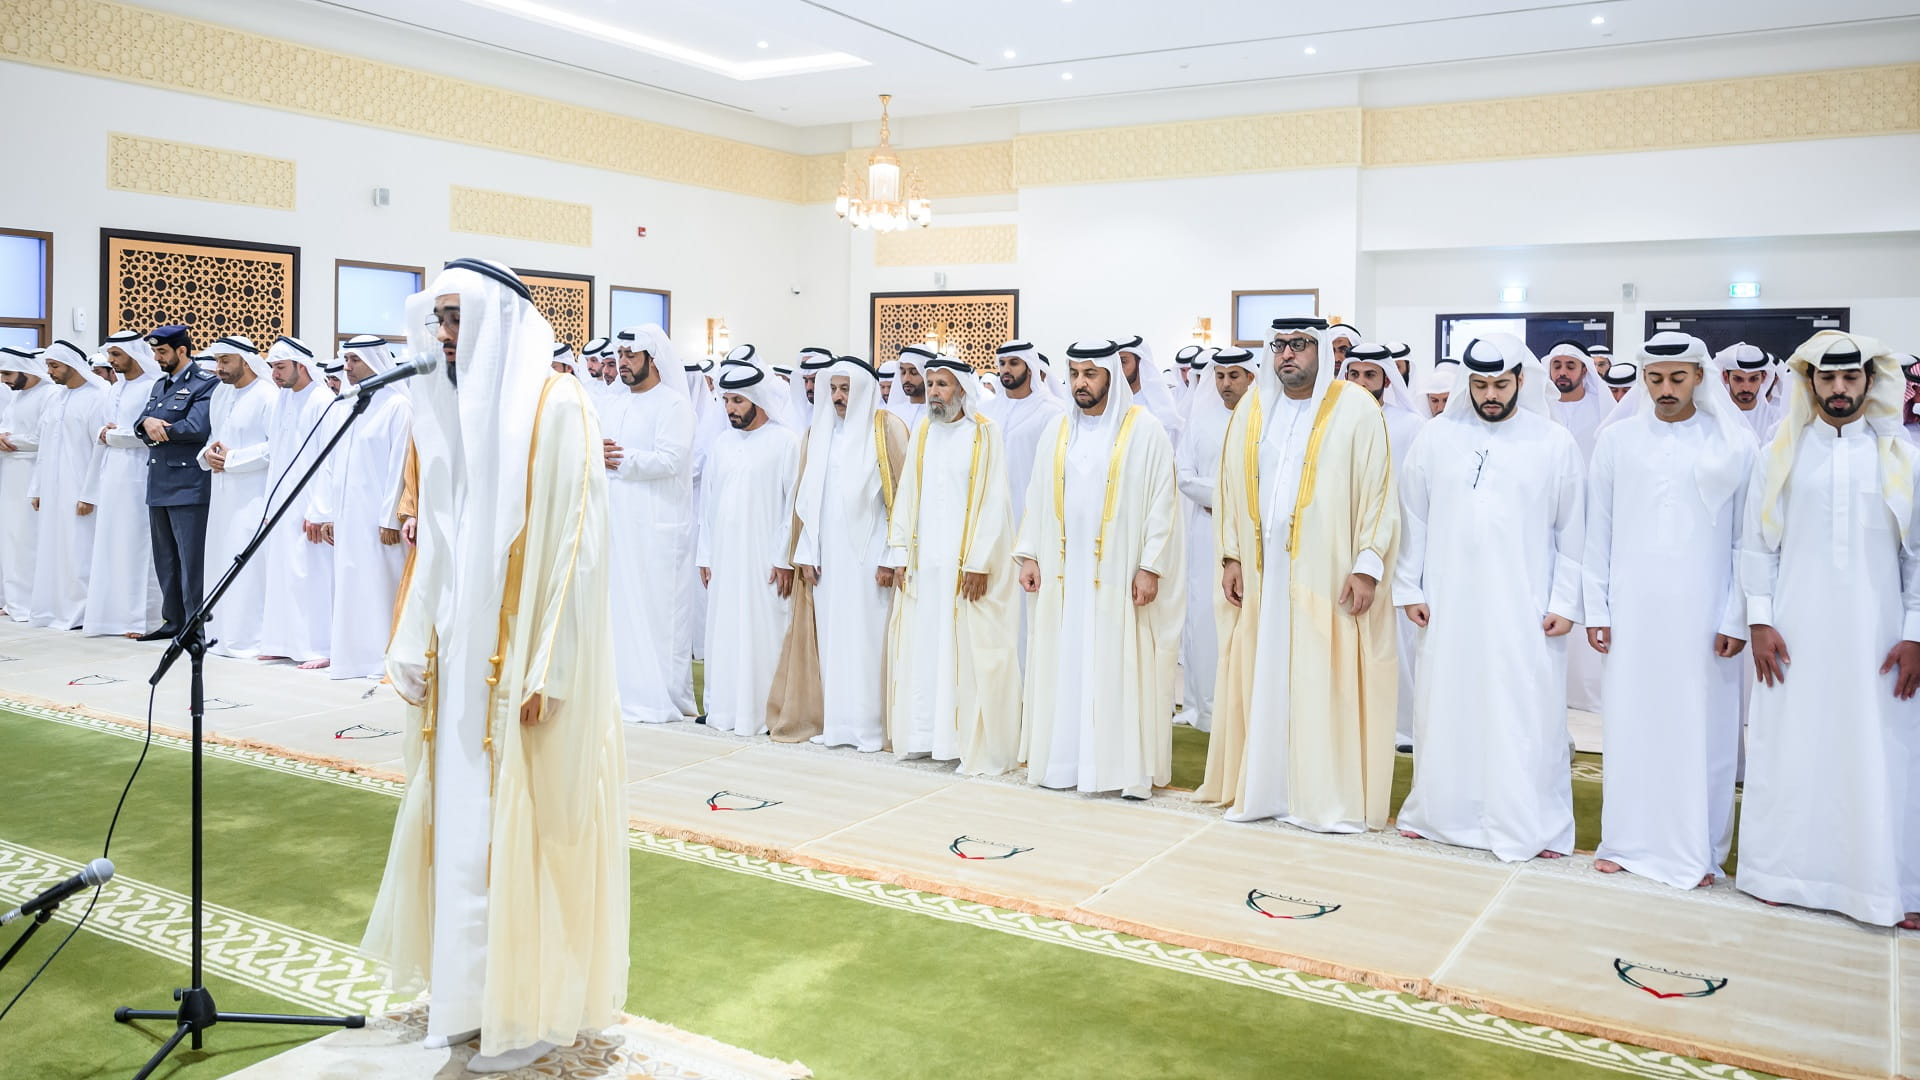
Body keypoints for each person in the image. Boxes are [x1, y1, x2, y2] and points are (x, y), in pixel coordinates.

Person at [365, 259, 628, 1073]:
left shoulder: (557, 406)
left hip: (523, 670)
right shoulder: (446, 410)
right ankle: (467, 997)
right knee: (464, 835)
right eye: (437, 319)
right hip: (458, 665)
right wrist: (412, 637)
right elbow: (438, 538)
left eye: (457, 318)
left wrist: (549, 661)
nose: (444, 335)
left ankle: (532, 1012)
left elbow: (579, 547)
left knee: (526, 829)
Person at [1737, 330, 1920, 930]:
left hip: (1880, 636)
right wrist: (1759, 620)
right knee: (1792, 745)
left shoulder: (1902, 458)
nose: (1838, 390)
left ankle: (1883, 887)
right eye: (1826, 378)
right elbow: (1756, 546)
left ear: (1870, 382)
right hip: (1793, 633)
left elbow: (1915, 556)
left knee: (1881, 753)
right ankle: (1779, 875)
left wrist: (1915, 630)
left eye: (1850, 378)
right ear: (1808, 382)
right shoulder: (1780, 454)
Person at [1195, 319, 1398, 831]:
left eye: (1300, 345)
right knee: (1266, 678)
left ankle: (1321, 799)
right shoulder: (1253, 407)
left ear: (1321, 352)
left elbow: (1378, 491)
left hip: (1327, 575)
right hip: (1265, 578)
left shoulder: (1357, 408)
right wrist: (1232, 556)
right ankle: (1266, 790)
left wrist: (1367, 566)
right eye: (1280, 346)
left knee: (1320, 679)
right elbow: (1230, 489)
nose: (1288, 355)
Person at [1394, 334, 1583, 861]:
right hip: (1449, 602)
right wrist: (1409, 586)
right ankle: (1439, 813)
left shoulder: (1553, 442)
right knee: (1446, 702)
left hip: (1524, 606)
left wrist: (1565, 602)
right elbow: (1414, 518)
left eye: (1501, 384)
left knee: (1524, 710)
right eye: (1480, 385)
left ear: (1521, 380)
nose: (1491, 395)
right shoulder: (1435, 438)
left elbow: (1573, 531)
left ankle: (1531, 821)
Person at [1584, 332, 1756, 889]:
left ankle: (1697, 849)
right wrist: (1597, 605)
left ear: (1700, 378)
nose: (1664, 389)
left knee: (1699, 728)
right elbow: (1599, 531)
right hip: (1633, 607)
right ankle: (1626, 840)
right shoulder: (1618, 441)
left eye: (1677, 378)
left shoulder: (1733, 443)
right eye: (1655, 378)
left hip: (1704, 612)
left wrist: (1736, 614)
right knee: (1631, 721)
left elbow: (1743, 540)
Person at [1015, 339, 1184, 799]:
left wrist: (1149, 566)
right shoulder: (1058, 429)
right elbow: (1036, 495)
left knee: (1115, 664)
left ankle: (1114, 769)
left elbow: (1163, 504)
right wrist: (1030, 552)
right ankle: (1065, 762)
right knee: (1065, 660)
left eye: (1090, 374)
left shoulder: (1144, 429)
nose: (1080, 383)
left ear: (1111, 375)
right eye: (1073, 374)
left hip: (1118, 574)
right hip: (1063, 574)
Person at [883, 355, 1022, 775]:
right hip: (926, 567)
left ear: (962, 389)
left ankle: (964, 743)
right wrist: (900, 552)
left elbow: (996, 498)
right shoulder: (924, 431)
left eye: (942, 385)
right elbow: (908, 492)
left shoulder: (985, 433)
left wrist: (979, 562)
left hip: (965, 569)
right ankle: (927, 737)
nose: (934, 393)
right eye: (930, 384)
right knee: (926, 649)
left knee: (966, 651)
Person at [771, 356, 909, 750]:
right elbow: (807, 499)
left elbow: (900, 498)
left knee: (868, 638)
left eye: (845, 389)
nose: (837, 397)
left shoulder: (888, 431)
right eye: (833, 389)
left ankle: (870, 726)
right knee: (832, 637)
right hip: (828, 558)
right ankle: (836, 724)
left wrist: (892, 555)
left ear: (864, 389)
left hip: (871, 557)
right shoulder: (818, 433)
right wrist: (807, 551)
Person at [698, 355, 803, 737]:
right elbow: (707, 507)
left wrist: (783, 559)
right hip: (725, 559)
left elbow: (792, 507)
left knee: (764, 631)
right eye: (726, 401)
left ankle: (762, 713)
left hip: (765, 561)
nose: (730, 409)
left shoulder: (785, 442)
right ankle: (724, 710)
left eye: (737, 401)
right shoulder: (722, 444)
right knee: (725, 631)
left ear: (757, 401)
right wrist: (705, 556)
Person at [602, 324, 697, 725]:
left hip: (658, 527)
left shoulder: (673, 405)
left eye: (630, 356)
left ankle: (660, 696)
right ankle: (619, 691)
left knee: (659, 614)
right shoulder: (611, 402)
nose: (622, 364)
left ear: (652, 359)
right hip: (617, 523)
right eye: (619, 356)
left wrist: (621, 460)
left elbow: (673, 460)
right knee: (617, 608)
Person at [304, 336, 412, 679]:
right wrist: (329, 514)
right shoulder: (346, 405)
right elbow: (333, 466)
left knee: (381, 586)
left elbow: (400, 465)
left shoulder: (397, 406)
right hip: (348, 516)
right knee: (350, 585)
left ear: (375, 361)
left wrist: (390, 517)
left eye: (354, 360)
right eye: (346, 360)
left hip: (380, 521)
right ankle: (354, 659)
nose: (347, 367)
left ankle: (385, 659)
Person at [1345, 341, 1429, 750]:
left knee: (1397, 639)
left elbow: (1416, 494)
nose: (1361, 382)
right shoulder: (1335, 420)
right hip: (1345, 541)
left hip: (1397, 542)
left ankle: (1402, 728)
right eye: (1354, 374)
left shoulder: (1409, 425)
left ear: (1386, 380)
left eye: (1370, 375)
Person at [1173, 346, 1253, 733]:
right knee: (1206, 619)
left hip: (1254, 537)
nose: (1225, 384)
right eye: (1219, 376)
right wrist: (1224, 498)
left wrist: (1228, 500)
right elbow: (1184, 475)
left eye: (1234, 376)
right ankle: (1205, 710)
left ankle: (1249, 713)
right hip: (1207, 534)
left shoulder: (1264, 418)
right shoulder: (1200, 420)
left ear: (1252, 377)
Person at [186, 335, 279, 657]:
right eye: (217, 361)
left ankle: (249, 638)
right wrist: (206, 457)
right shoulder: (220, 394)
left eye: (226, 361)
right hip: (223, 494)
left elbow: (277, 448)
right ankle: (222, 635)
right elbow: (214, 439)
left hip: (253, 496)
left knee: (248, 566)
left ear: (245, 360)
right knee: (220, 561)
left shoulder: (269, 395)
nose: (219, 368)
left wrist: (233, 458)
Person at [134, 324, 219, 641]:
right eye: (155, 352)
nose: (157, 357)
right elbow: (140, 422)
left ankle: (194, 625)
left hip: (188, 484)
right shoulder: (159, 385)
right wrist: (149, 423)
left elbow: (197, 427)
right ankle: (172, 621)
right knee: (165, 558)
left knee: (191, 559)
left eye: (162, 351)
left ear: (182, 350)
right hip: (159, 482)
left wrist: (158, 426)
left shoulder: (204, 384)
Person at [256, 336, 335, 666]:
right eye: (272, 367)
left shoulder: (322, 400)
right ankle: (281, 641)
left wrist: (320, 510)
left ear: (301, 366)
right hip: (281, 502)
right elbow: (275, 456)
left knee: (310, 574)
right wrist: (267, 507)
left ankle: (318, 647)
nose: (275, 374)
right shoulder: (281, 401)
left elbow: (329, 459)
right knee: (281, 574)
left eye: (281, 367)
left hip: (309, 504)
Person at [80, 330, 164, 638]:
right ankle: (110, 617)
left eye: (117, 355)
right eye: (110, 356)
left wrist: (111, 435)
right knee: (112, 543)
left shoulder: (153, 386)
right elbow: (103, 430)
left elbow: (148, 435)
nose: (112, 362)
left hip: (140, 474)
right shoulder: (115, 389)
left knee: (139, 545)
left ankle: (142, 619)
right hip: (112, 473)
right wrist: (108, 433)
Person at [26, 340, 108, 629]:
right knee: (53, 549)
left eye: (54, 366)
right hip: (52, 488)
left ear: (72, 365)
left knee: (80, 551)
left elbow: (101, 450)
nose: (50, 371)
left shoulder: (98, 397)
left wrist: (90, 494)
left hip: (80, 489)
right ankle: (54, 609)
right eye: (48, 365)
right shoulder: (55, 398)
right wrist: (37, 489)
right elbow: (44, 449)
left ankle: (82, 612)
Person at [0, 346, 52, 621]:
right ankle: (13, 600)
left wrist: (11, 440)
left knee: (28, 539)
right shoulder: (16, 396)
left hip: (33, 473)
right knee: (10, 539)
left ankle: (31, 601)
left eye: (8, 373)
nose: (4, 380)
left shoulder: (49, 394)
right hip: (10, 475)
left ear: (26, 369)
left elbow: (42, 438)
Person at [1115, 335, 1184, 447]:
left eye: (1123, 361)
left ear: (1140, 363)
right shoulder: (1111, 401)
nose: (1118, 367)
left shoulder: (1158, 404)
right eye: (1116, 362)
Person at [1545, 341, 1609, 459]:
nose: (1562, 372)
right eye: (1557, 366)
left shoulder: (1601, 406)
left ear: (1584, 371)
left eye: (1570, 367)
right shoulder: (1540, 406)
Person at [1718, 342, 1783, 442]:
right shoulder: (1716, 418)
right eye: (1738, 379)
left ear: (1763, 377)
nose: (1746, 388)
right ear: (1726, 377)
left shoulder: (1778, 418)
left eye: (1753, 379)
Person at [890, 345, 932, 427]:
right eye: (903, 372)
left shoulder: (937, 415)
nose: (906, 379)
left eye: (913, 372)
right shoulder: (893, 413)